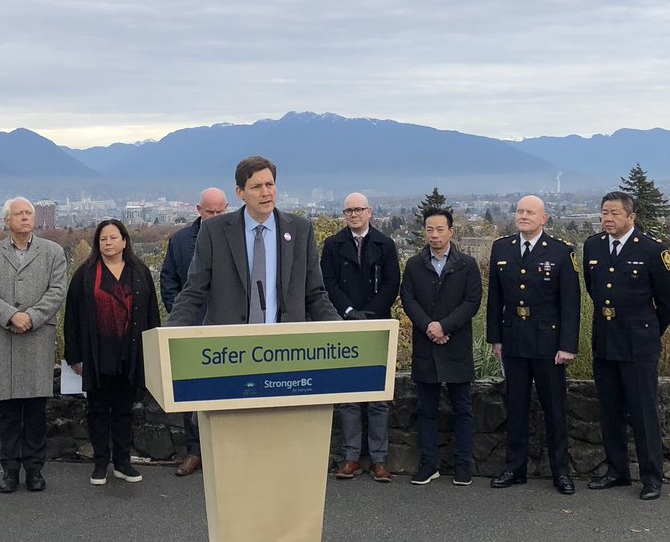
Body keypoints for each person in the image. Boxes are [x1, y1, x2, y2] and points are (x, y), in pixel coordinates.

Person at [584, 192, 670, 501]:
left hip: (639, 344)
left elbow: (669, 299)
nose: (607, 218)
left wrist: (650, 330)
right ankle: (617, 471)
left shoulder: (652, 250)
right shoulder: (593, 246)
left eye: (614, 213)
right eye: (604, 213)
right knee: (609, 410)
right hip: (606, 341)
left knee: (643, 412)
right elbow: (593, 288)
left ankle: (652, 478)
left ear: (631, 217)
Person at [168, 156, 339, 326]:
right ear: (240, 192)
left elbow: (316, 295)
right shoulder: (214, 232)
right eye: (256, 187)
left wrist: (344, 334)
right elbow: (193, 293)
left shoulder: (301, 230)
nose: (265, 192)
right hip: (229, 347)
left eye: (269, 184)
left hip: (286, 346)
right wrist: (169, 336)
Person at [0, 197, 67, 494]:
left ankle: (35, 470)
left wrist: (32, 316)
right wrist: (12, 315)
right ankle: (10, 471)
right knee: (9, 412)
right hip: (6, 337)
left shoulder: (53, 252)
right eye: (19, 214)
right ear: (7, 221)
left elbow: (57, 291)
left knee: (37, 411)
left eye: (29, 213)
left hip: (38, 337)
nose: (25, 218)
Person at [486, 196, 579, 495]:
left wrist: (567, 345)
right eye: (520, 211)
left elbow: (570, 303)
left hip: (548, 344)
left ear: (544, 219)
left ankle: (561, 472)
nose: (523, 216)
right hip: (513, 340)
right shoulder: (502, 248)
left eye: (530, 212)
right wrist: (495, 338)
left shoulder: (560, 252)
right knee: (515, 408)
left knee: (554, 410)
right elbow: (495, 299)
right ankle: (515, 469)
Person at [63, 219, 161, 485]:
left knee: (123, 410)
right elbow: (72, 317)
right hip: (97, 353)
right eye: (103, 239)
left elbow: (152, 313)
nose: (108, 243)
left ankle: (122, 462)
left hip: (129, 352)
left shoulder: (139, 271)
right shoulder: (85, 274)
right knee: (97, 408)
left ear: (124, 241)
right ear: (98, 243)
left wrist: (153, 351)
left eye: (113, 238)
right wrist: (74, 356)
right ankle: (99, 463)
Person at [320, 192, 401, 482]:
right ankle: (351, 457)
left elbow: (393, 284)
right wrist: (350, 311)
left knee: (378, 396)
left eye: (358, 210)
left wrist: (370, 313)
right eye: (348, 211)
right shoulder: (332, 245)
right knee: (349, 396)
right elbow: (326, 283)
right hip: (345, 325)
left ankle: (380, 460)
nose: (353, 215)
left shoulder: (386, 244)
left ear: (369, 212)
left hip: (377, 325)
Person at [400, 207, 481, 486]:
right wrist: (429, 327)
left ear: (451, 232)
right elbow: (408, 299)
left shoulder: (466, 264)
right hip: (426, 344)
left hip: (456, 343)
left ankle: (462, 465)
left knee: (463, 407)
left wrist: (444, 326)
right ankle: (428, 464)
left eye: (440, 230)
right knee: (426, 408)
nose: (434, 235)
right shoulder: (414, 264)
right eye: (429, 230)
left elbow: (472, 302)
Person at [159, 187, 228, 477]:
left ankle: (225, 453)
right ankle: (194, 452)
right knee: (192, 394)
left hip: (228, 328)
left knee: (228, 393)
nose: (214, 216)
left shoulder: (236, 238)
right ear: (198, 210)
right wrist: (183, 317)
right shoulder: (180, 241)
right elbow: (168, 281)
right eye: (209, 211)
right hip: (192, 329)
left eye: (219, 212)